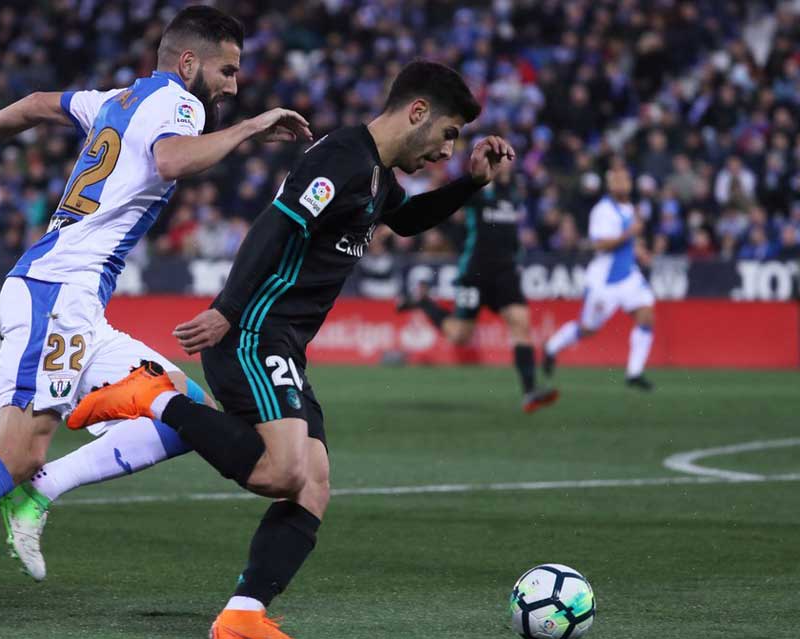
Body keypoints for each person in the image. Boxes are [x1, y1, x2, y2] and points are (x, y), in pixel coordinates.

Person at [0, 7, 311, 638]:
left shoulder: (118, 98)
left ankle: (40, 489)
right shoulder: (181, 105)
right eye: (227, 70)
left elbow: (39, 103)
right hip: (56, 291)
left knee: (184, 412)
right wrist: (253, 128)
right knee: (14, 449)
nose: (234, 84)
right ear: (187, 62)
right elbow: (173, 162)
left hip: (77, 299)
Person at [67, 60, 514, 639]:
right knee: (282, 472)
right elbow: (274, 226)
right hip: (254, 331)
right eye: (450, 134)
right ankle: (153, 397)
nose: (448, 150)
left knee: (314, 482)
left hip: (285, 344)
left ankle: (243, 615)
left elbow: (405, 221)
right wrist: (227, 311)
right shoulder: (343, 159)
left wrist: (471, 184)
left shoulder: (376, 175)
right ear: (417, 112)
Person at [398, 162, 558, 413]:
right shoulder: (476, 190)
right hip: (475, 273)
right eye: (501, 158)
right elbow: (451, 200)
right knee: (459, 335)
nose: (506, 162)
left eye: (507, 158)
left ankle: (529, 392)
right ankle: (424, 302)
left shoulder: (513, 192)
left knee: (521, 326)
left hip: (506, 273)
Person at [542, 165, 657, 390]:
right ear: (610, 185)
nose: (623, 183)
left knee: (647, 315)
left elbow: (627, 242)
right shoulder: (603, 210)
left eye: (625, 178)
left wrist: (638, 250)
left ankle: (634, 373)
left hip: (628, 276)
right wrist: (629, 234)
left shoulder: (629, 208)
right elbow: (601, 244)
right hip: (604, 281)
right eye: (618, 179)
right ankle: (551, 348)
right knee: (587, 329)